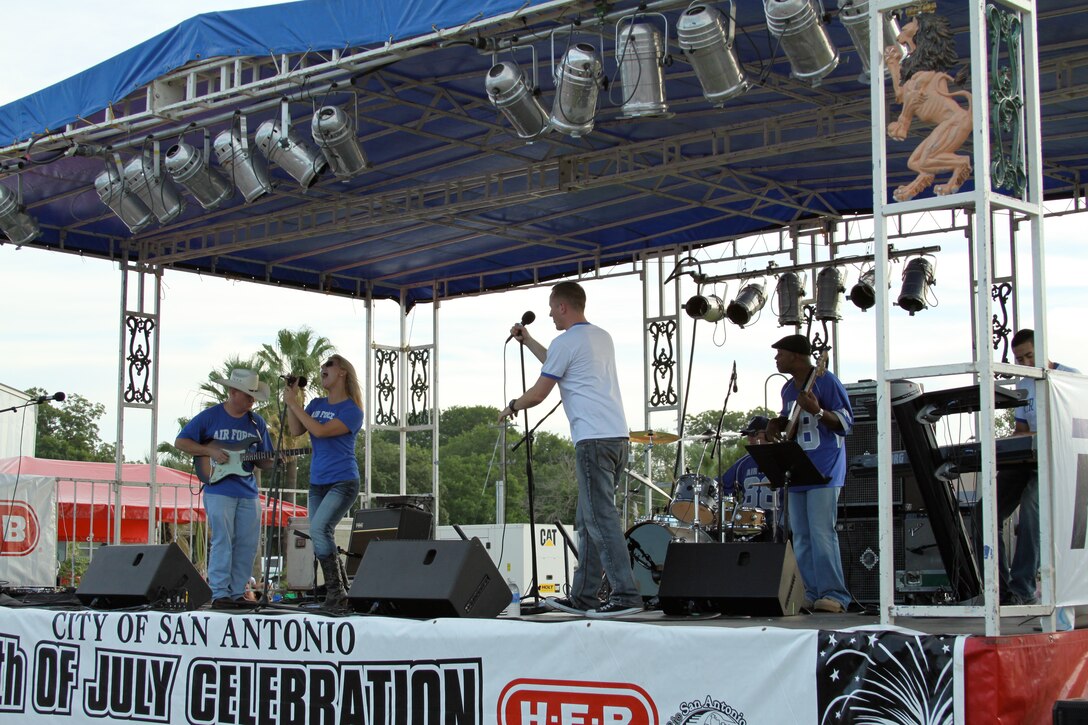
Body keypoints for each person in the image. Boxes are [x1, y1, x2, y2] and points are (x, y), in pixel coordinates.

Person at [499, 281, 642, 619]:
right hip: (617, 437)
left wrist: (512, 406)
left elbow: (538, 393)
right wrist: (529, 341)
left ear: (563, 306)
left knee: (600, 518)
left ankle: (626, 594)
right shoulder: (599, 337)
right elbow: (558, 362)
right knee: (588, 519)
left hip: (592, 440)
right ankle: (584, 596)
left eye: (551, 308)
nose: (549, 314)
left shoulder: (566, 341)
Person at [977, 328, 1080, 606]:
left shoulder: (1071, 378)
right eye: (1020, 359)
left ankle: (1022, 587)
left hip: (1059, 460)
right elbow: (1021, 430)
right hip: (1028, 459)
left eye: (1029, 356)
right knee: (983, 511)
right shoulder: (1025, 382)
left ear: (1044, 349)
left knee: (1031, 507)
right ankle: (998, 588)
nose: (1024, 363)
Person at [766, 334, 854, 613]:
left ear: (795, 355)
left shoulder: (826, 381)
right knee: (801, 535)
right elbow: (791, 421)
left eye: (780, 353)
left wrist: (817, 411)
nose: (776, 359)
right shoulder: (788, 389)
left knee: (821, 533)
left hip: (824, 468)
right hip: (798, 468)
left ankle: (835, 595)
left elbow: (844, 422)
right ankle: (811, 591)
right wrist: (776, 424)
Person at [175, 369, 274, 610]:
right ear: (232, 392)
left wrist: (272, 458)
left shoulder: (256, 422)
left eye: (253, 397)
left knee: (247, 543)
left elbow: (266, 460)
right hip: (218, 488)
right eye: (248, 396)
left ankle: (238, 592)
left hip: (248, 490)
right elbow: (181, 442)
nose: (252, 401)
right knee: (223, 540)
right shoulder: (210, 417)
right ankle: (220, 593)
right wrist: (210, 452)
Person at [284, 354, 364, 612]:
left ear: (342, 372)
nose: (323, 369)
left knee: (319, 529)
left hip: (343, 480)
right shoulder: (317, 403)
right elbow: (297, 431)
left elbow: (320, 431)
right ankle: (340, 593)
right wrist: (292, 402)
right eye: (323, 367)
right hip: (317, 482)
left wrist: (294, 405)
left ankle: (336, 594)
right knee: (319, 534)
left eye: (329, 365)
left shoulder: (352, 410)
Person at [718, 415, 781, 541]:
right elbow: (720, 485)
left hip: (775, 518)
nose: (750, 439)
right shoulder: (743, 464)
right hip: (748, 520)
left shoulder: (782, 459)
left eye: (754, 434)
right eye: (749, 435)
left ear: (769, 434)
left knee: (777, 528)